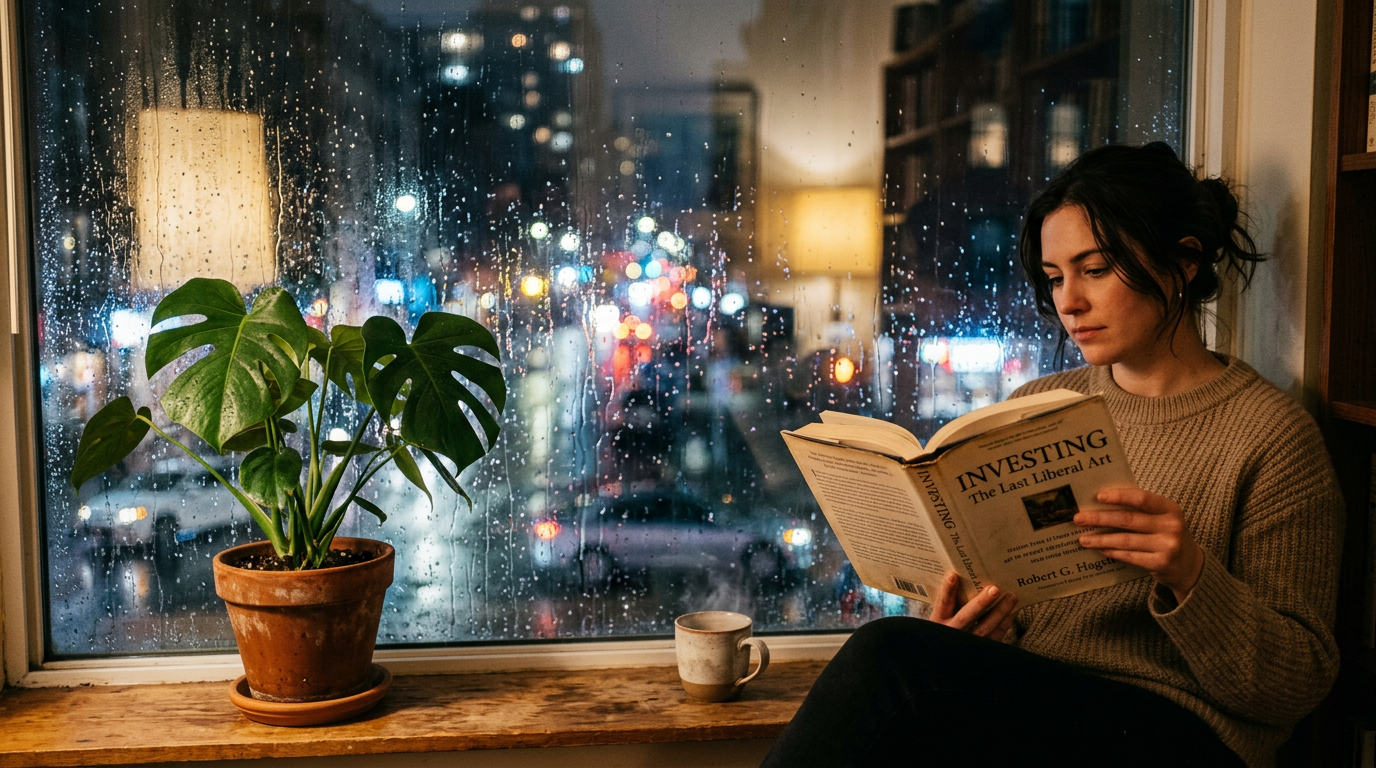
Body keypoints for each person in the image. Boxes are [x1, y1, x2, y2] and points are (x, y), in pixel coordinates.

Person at [761, 143, 1342, 768]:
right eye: (1056, 276)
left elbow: (1297, 685)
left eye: (1095, 270)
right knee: (908, 668)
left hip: (1180, 735)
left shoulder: (1271, 434)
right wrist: (979, 626)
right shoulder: (1038, 406)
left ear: (1184, 261)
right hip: (1037, 716)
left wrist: (1191, 574)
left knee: (890, 659)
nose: (1069, 302)